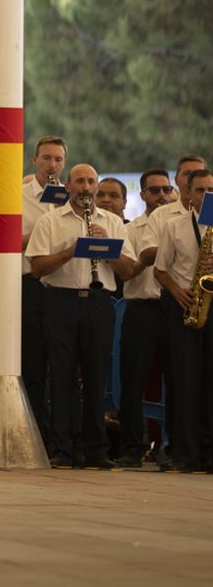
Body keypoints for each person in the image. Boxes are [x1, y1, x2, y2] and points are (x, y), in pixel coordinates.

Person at [26, 164, 138, 469]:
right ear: (69, 187)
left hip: (99, 302)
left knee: (95, 375)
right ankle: (62, 448)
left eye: (91, 182)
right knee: (61, 376)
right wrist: (71, 252)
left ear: (96, 187)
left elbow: (128, 271)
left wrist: (106, 247)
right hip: (60, 302)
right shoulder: (51, 221)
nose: (86, 187)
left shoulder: (113, 222)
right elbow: (37, 268)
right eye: (80, 181)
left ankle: (95, 449)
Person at [150, 168, 213, 474]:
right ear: (188, 193)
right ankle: (186, 454)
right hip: (186, 306)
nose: (207, 196)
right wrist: (176, 291)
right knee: (186, 383)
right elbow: (159, 270)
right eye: (201, 190)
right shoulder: (174, 226)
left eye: (211, 189)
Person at [117, 170, 176, 466]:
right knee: (133, 381)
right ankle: (132, 446)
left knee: (178, 380)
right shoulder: (131, 230)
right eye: (154, 190)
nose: (162, 195)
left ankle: (175, 446)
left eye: (167, 189)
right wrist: (150, 256)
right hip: (142, 308)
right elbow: (126, 272)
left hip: (174, 307)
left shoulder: (181, 223)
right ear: (142, 196)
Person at [21, 134, 68, 446]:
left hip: (64, 287)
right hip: (31, 285)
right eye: (47, 158)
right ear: (34, 160)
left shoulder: (74, 195)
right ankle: (35, 435)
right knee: (33, 365)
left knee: (65, 366)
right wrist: (40, 235)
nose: (53, 165)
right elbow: (6, 239)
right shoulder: (17, 195)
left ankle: (64, 437)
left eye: (59, 159)